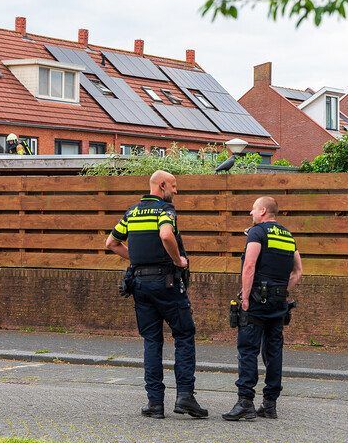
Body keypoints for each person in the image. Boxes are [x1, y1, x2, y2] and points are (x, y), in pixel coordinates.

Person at [105, 170, 208, 419]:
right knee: (184, 334)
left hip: (140, 284)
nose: (176, 191)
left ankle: (155, 403)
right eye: (174, 186)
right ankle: (185, 396)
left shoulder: (131, 212)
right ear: (161, 186)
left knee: (152, 341)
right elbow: (165, 234)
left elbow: (111, 243)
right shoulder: (165, 211)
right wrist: (178, 261)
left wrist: (139, 260)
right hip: (167, 283)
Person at [222, 196, 303, 421]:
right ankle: (269, 405)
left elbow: (249, 265)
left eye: (254, 209)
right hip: (278, 303)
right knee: (273, 351)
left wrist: (246, 297)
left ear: (264, 211)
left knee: (248, 349)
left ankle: (245, 403)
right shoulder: (288, 237)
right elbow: (298, 272)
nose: (251, 213)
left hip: (257, 301)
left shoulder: (257, 233)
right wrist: (281, 291)